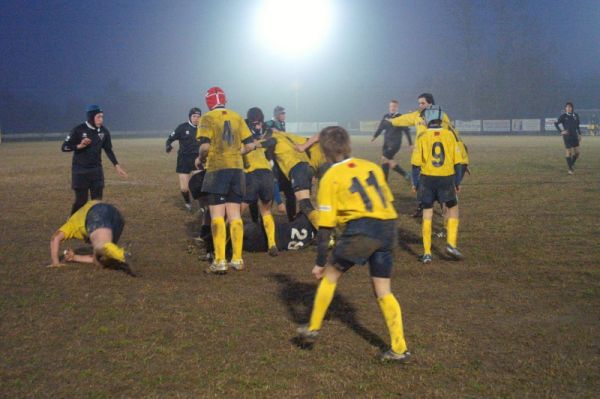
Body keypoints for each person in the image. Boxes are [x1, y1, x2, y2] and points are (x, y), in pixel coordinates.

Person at [296, 126, 411, 363]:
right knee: (383, 290)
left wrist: (319, 262)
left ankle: (313, 328)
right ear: (347, 144)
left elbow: (325, 226)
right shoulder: (370, 166)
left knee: (330, 274)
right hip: (389, 227)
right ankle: (399, 348)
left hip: (362, 229)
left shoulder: (330, 177)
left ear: (324, 151)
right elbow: (386, 200)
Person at [195, 87, 258, 274]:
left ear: (208, 102)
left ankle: (220, 261)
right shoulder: (237, 116)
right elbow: (251, 145)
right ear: (224, 100)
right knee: (235, 215)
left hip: (217, 169)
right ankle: (237, 259)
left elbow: (205, 147)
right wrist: (236, 154)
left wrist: (200, 158)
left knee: (216, 215)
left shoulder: (207, 118)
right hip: (237, 170)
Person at [411, 106, 465, 264]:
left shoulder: (422, 136)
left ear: (427, 120)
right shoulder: (449, 135)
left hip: (427, 180)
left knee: (427, 214)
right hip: (446, 179)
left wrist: (415, 183)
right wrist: (457, 182)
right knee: (453, 210)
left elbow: (415, 165)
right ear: (441, 119)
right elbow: (458, 162)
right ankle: (451, 244)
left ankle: (427, 253)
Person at [62, 105, 127, 215]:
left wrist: (117, 166)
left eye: (102, 117)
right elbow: (64, 147)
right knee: (81, 201)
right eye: (98, 117)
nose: (101, 119)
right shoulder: (78, 129)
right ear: (91, 117)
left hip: (96, 171)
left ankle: (94, 224)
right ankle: (71, 222)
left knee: (97, 202)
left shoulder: (104, 131)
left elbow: (108, 149)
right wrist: (79, 146)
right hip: (80, 171)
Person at [48, 200, 135, 276]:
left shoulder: (70, 223)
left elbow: (55, 238)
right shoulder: (84, 208)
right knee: (103, 254)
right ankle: (118, 253)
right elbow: (95, 259)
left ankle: (122, 255)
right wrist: (74, 257)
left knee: (102, 246)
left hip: (96, 213)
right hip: (116, 215)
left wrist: (55, 262)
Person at [262, 129, 319, 228]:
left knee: (305, 205)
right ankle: (302, 225)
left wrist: (279, 202)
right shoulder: (288, 136)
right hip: (307, 168)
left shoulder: (271, 141)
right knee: (299, 201)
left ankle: (323, 231)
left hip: (297, 170)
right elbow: (316, 137)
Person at [242, 107, 278, 256]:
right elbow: (273, 140)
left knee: (236, 212)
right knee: (266, 210)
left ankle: (222, 245)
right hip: (267, 175)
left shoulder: (244, 130)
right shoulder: (266, 132)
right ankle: (272, 244)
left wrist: (255, 144)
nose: (257, 125)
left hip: (251, 174)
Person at [166, 107, 202, 211]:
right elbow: (169, 139)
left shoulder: (203, 128)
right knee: (184, 188)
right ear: (189, 117)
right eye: (194, 116)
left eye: (198, 116)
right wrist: (168, 146)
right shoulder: (182, 127)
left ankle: (202, 206)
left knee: (199, 186)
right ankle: (187, 202)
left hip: (197, 160)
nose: (196, 119)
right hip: (183, 160)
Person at [371, 100, 412, 181]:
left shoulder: (400, 117)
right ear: (389, 107)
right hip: (386, 143)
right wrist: (375, 136)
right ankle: (405, 175)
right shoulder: (386, 116)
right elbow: (381, 127)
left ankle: (384, 181)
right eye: (391, 106)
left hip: (395, 144)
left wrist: (410, 143)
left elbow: (406, 130)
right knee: (387, 161)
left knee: (384, 158)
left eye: (394, 106)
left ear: (397, 107)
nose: (392, 108)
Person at [555, 102, 582, 175]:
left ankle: (571, 164)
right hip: (567, 136)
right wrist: (561, 131)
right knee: (569, 152)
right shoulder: (563, 116)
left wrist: (579, 134)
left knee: (577, 153)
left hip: (574, 136)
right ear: (565, 108)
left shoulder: (576, 115)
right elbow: (556, 123)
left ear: (572, 108)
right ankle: (570, 169)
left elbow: (578, 126)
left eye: (570, 107)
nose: (568, 108)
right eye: (567, 107)